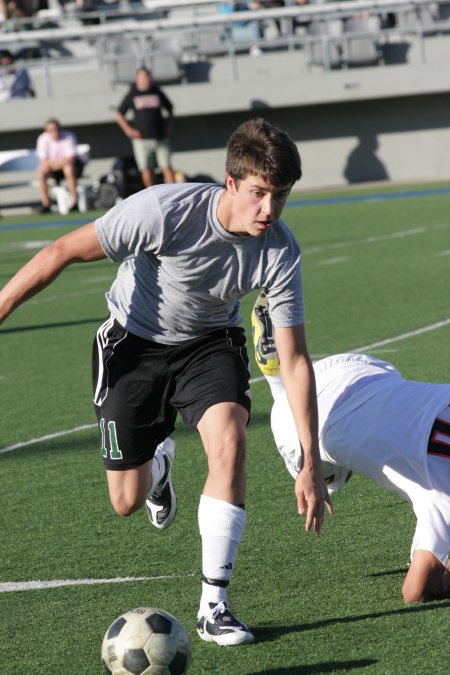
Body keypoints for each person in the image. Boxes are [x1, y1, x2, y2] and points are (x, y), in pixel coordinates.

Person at [0, 117, 331, 646]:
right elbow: (60, 252)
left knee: (230, 438)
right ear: (231, 183)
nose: (269, 210)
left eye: (281, 196)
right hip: (132, 345)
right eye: (259, 193)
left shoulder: (279, 251)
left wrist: (310, 461)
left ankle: (214, 606)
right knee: (125, 501)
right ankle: (158, 469)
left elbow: (293, 361)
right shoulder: (162, 211)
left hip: (208, 345)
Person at [251, 291, 450, 604]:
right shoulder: (442, 494)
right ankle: (279, 383)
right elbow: (415, 591)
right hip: (305, 424)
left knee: (355, 451)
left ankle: (280, 373)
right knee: (330, 480)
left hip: (364, 370)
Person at [115, 67, 176, 189]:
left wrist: (169, 126)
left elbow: (170, 109)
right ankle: (151, 194)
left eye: (148, 76)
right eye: (143, 76)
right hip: (142, 139)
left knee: (167, 167)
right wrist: (128, 130)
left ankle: (174, 194)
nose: (146, 79)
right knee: (147, 170)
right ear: (137, 79)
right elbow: (119, 114)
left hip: (160, 138)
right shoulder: (132, 94)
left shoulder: (157, 92)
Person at [35, 118, 84, 214]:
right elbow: (43, 161)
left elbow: (70, 159)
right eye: (51, 130)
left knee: (68, 169)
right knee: (41, 171)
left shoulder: (68, 136)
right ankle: (46, 203)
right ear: (46, 131)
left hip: (70, 168)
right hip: (53, 170)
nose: (54, 132)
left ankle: (74, 202)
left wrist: (54, 163)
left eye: (56, 129)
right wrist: (59, 163)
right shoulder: (43, 139)